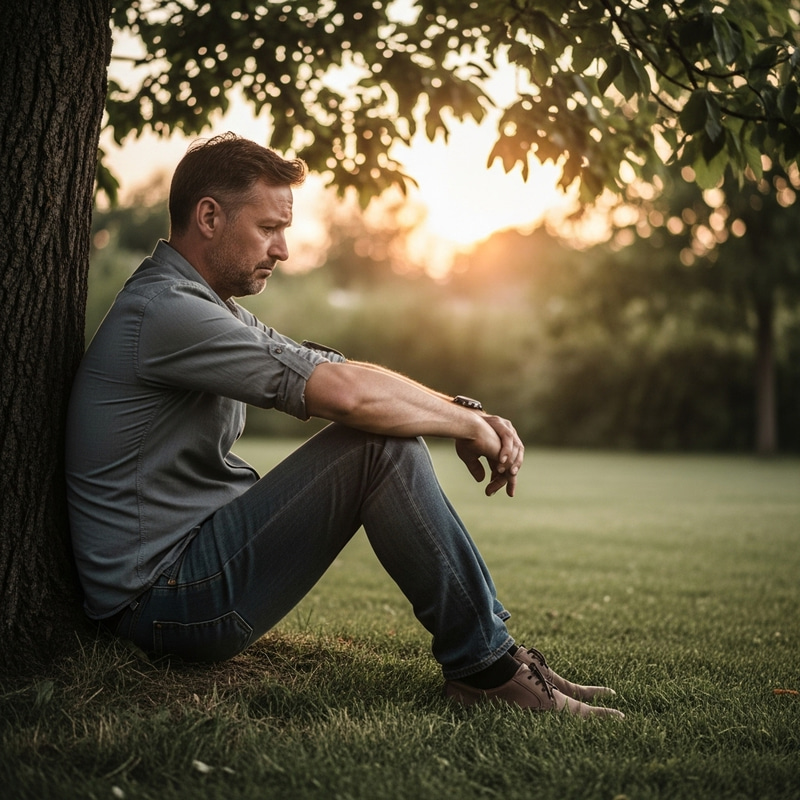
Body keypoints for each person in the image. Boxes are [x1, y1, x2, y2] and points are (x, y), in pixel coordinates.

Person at [65, 133, 623, 719]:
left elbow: (334, 368)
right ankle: (487, 671)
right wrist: (463, 422)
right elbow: (349, 398)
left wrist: (465, 413)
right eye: (269, 228)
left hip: (192, 572)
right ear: (208, 216)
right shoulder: (166, 311)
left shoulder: (209, 308)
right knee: (376, 447)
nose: (283, 249)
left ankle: (496, 657)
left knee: (383, 437)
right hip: (163, 600)